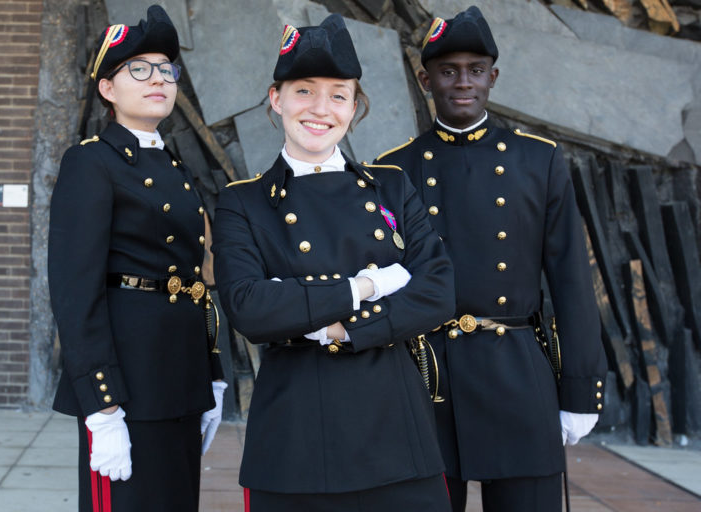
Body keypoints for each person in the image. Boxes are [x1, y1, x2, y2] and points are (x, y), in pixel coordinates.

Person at [212, 13, 455, 512]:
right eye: (304, 90)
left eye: (339, 94)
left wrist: (339, 329)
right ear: (276, 99)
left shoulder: (391, 186)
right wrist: (364, 287)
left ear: (355, 108)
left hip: (396, 429)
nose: (321, 109)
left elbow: (437, 291)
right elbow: (250, 308)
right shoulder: (244, 202)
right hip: (295, 436)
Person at [374, 6, 608, 512]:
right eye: (448, 70)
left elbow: (570, 279)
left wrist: (581, 390)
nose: (463, 82)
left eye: (475, 70)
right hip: (426, 374)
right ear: (425, 78)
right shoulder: (394, 169)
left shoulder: (537, 159)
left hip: (517, 373)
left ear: (493, 78)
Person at [48, 5, 225, 511]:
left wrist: (210, 372)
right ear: (108, 89)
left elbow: (191, 280)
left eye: (166, 70)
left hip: (180, 375)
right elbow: (75, 292)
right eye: (139, 69)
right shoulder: (91, 162)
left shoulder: (173, 164)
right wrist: (101, 407)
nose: (158, 79)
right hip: (126, 379)